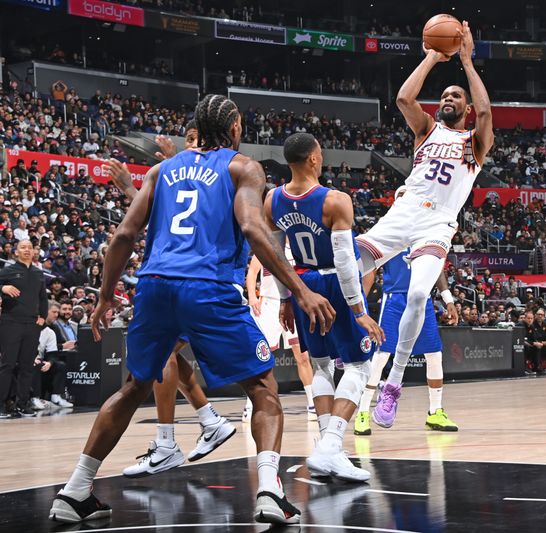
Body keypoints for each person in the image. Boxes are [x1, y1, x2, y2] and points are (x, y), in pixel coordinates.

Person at [50, 95, 335, 525]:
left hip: (154, 286)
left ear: (197, 128)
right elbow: (253, 228)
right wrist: (298, 290)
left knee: (132, 388)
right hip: (207, 286)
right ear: (235, 129)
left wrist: (105, 296)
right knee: (263, 389)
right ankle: (270, 492)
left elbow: (125, 235)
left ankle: (74, 490)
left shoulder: (162, 170)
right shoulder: (243, 167)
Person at [358, 21, 494, 426]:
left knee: (419, 296)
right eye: (445, 95)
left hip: (437, 225)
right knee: (345, 264)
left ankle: (394, 385)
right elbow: (403, 96)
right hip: (404, 214)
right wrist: (433, 56)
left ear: (465, 108)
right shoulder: (425, 129)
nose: (447, 98)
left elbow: (486, 110)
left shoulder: (474, 142)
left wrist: (467, 62)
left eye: (455, 96)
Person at [103, 121, 239, 478]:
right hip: (191, 277)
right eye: (188, 141)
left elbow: (186, 224)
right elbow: (168, 222)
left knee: (162, 354)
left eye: (196, 140)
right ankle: (210, 422)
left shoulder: (224, 171)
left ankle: (169, 443)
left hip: (209, 280)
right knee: (169, 357)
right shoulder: (180, 177)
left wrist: (137, 187)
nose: (191, 147)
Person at [266, 132, 383, 482]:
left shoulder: (272, 200)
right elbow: (347, 264)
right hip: (332, 284)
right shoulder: (334, 200)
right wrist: (359, 310)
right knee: (359, 367)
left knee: (320, 368)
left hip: (302, 284)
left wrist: (288, 298)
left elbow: (276, 258)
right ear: (314, 159)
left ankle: (326, 449)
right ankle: (330, 446)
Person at [354, 216, 459, 434]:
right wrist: (359, 306)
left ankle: (435, 411)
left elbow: (437, 269)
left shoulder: (427, 233)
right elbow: (370, 269)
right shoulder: (390, 232)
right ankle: (363, 412)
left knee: (434, 356)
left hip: (423, 301)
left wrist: (448, 299)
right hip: (395, 299)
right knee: (381, 357)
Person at [246, 249, 316, 422]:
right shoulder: (266, 244)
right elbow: (252, 272)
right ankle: (250, 404)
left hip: (293, 304)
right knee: (260, 357)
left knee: (303, 357)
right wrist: (252, 297)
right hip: (269, 302)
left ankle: (312, 403)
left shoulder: (297, 248)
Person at [0, 240, 48, 418]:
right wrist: (2, 287)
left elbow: (43, 298)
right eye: (23, 247)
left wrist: (43, 317)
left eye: (29, 247)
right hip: (10, 322)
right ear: (16, 252)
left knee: (27, 367)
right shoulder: (7, 271)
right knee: (7, 365)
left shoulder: (38, 272)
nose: (27, 250)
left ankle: (22, 404)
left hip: (32, 324)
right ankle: (2, 405)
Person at [32, 301, 72, 409]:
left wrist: (50, 362)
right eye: (53, 312)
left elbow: (52, 353)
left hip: (41, 360)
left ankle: (56, 396)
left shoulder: (50, 331)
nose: (56, 315)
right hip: (27, 360)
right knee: (36, 365)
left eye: (57, 312)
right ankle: (34, 398)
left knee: (60, 365)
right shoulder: (28, 328)